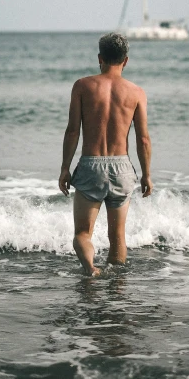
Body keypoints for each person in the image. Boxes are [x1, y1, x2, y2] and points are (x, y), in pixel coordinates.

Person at [58, 32, 152, 276]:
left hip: (91, 165)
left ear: (100, 58)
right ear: (126, 60)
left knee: (82, 234)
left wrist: (65, 168)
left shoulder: (82, 86)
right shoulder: (137, 92)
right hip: (122, 167)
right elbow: (143, 139)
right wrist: (146, 175)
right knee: (118, 237)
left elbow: (72, 131)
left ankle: (90, 268)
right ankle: (117, 294)